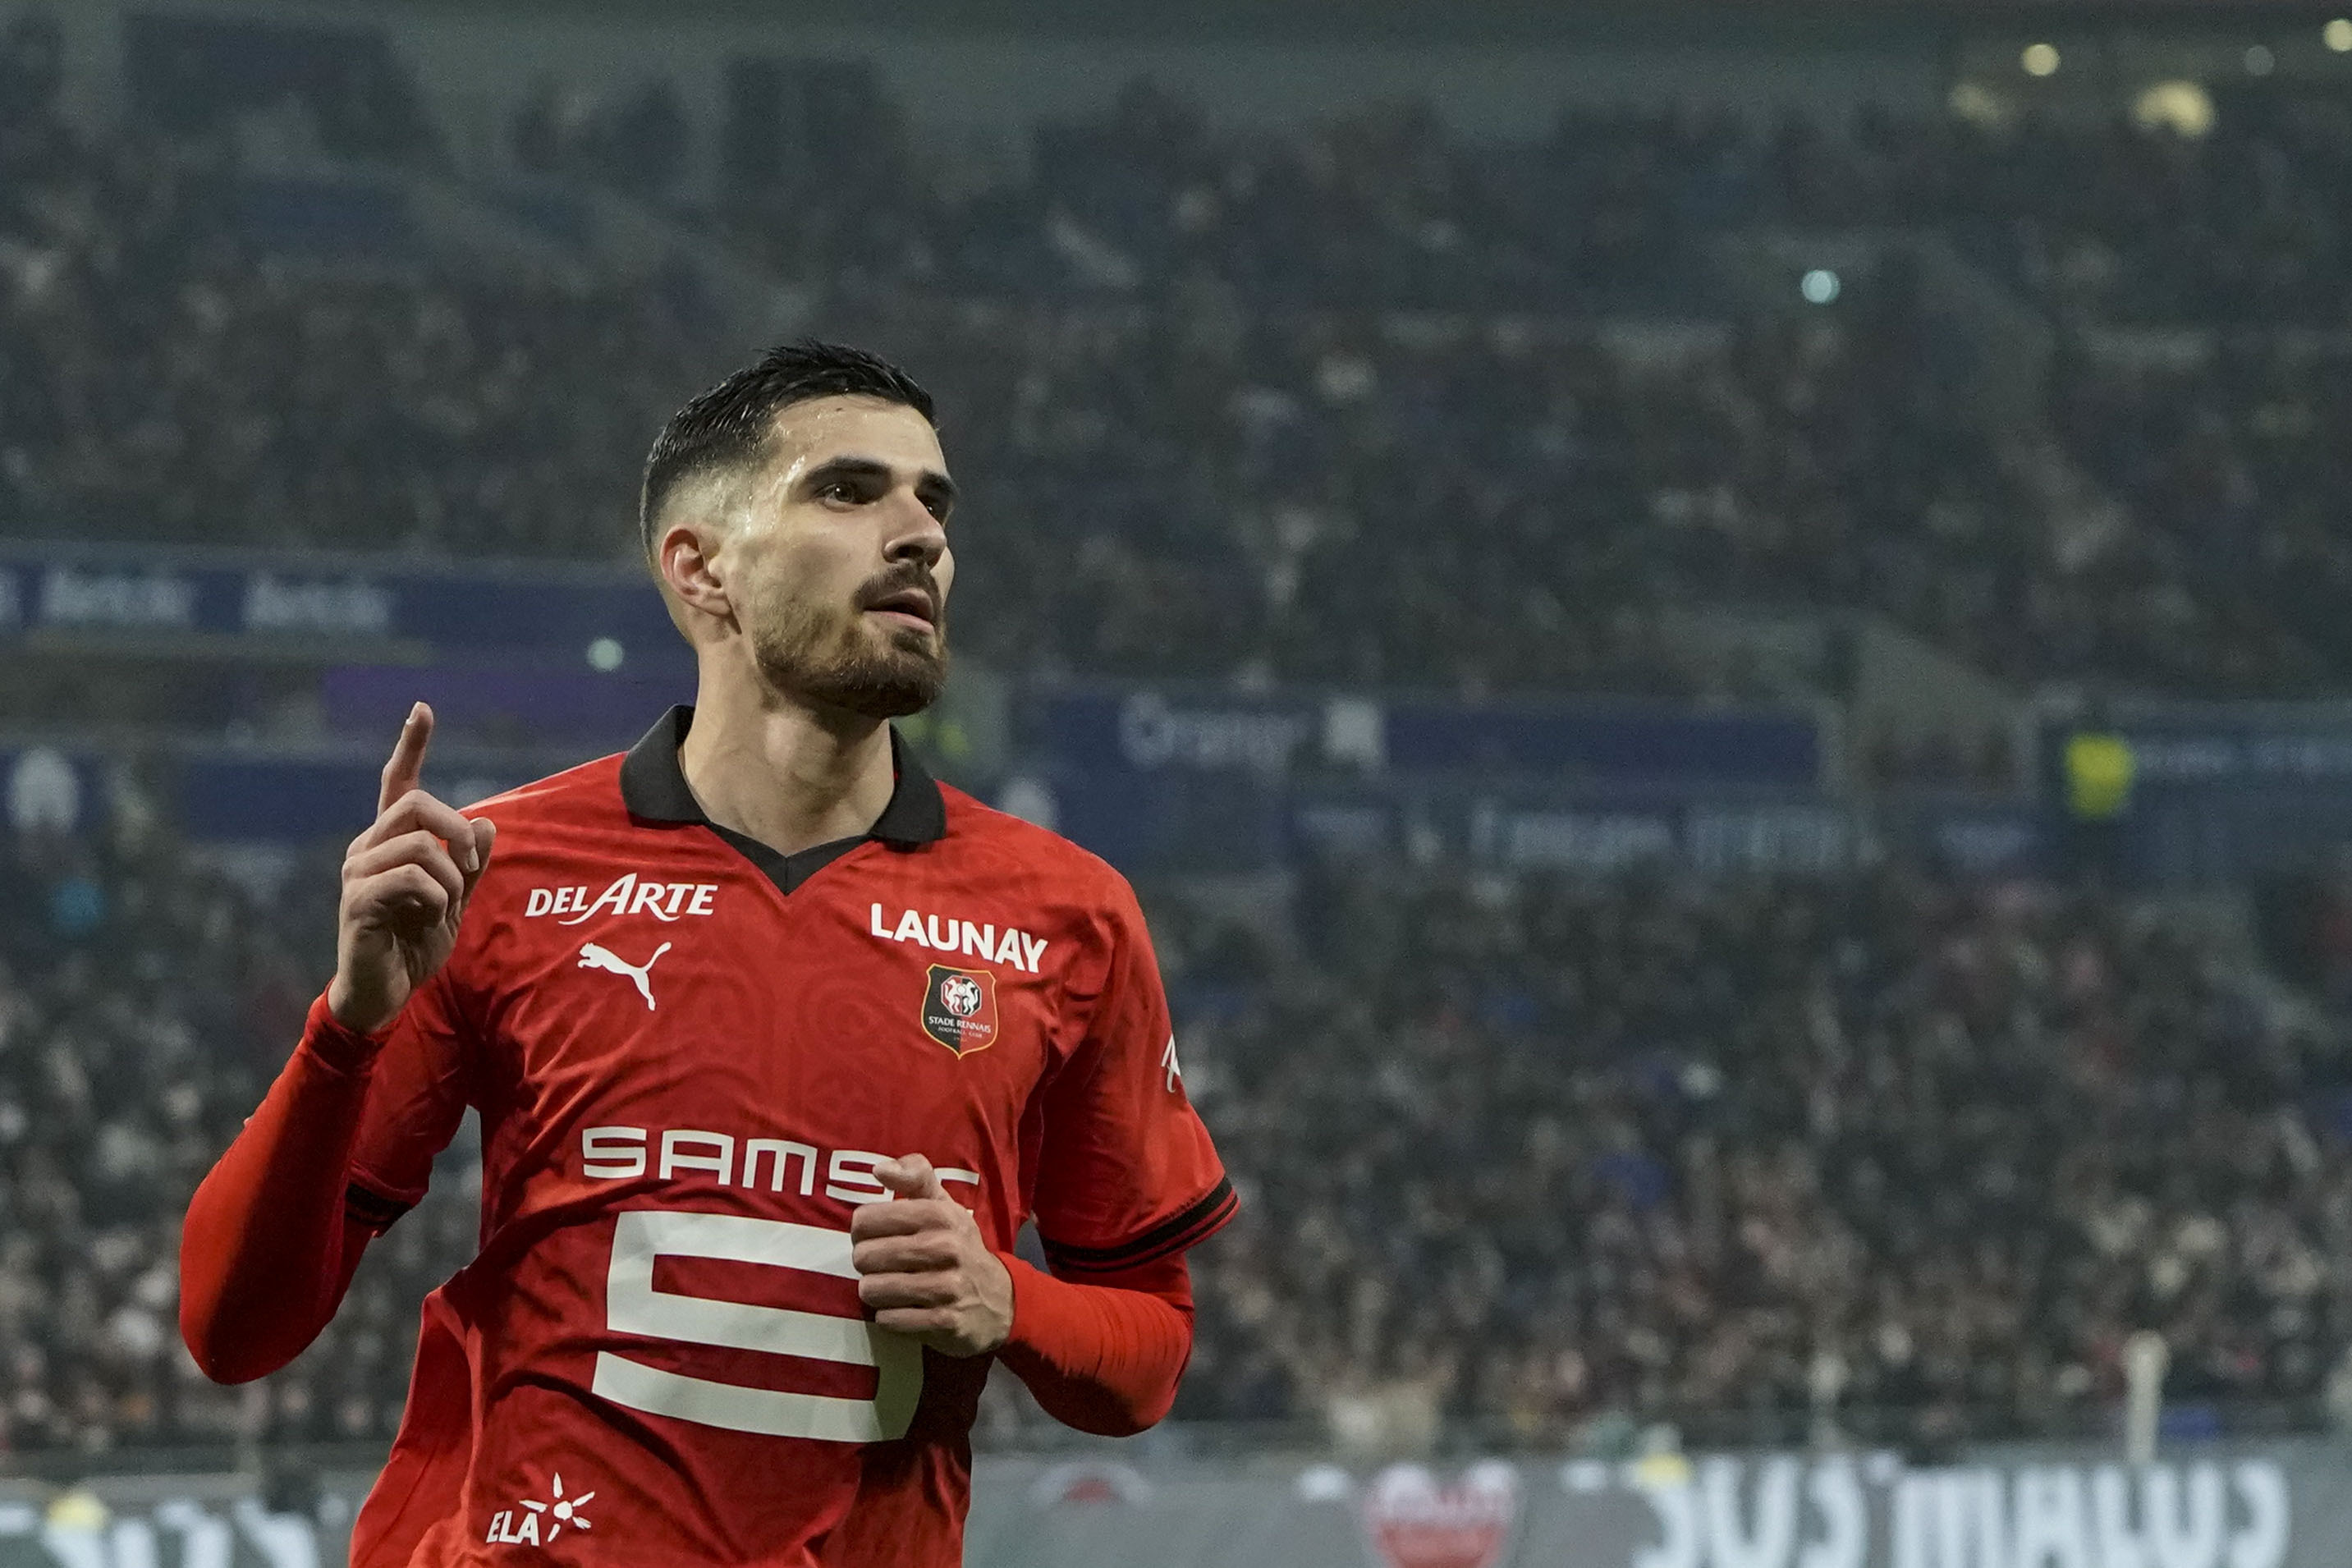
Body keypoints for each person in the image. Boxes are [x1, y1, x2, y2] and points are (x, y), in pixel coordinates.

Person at [178, 342, 1236, 1566]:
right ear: (701, 569)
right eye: (848, 490)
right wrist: (350, 1021)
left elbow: (1145, 1357)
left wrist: (1010, 1299)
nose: (919, 535)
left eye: (932, 500)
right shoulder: (500, 871)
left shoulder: (1066, 914)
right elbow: (231, 1329)